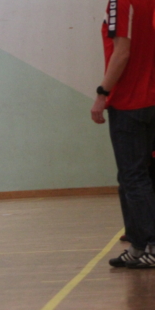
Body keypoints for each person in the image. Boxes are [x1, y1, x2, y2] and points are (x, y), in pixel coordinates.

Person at [91, 0, 155, 268]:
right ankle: (138, 246)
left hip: (131, 103)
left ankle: (150, 244)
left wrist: (102, 93)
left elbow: (122, 52)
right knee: (137, 176)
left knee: (133, 177)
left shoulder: (122, 2)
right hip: (149, 101)